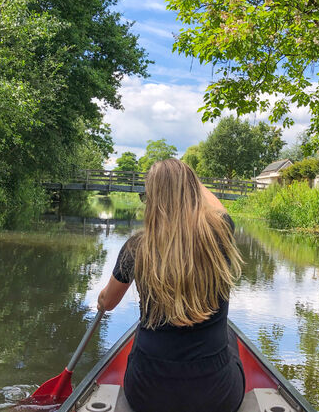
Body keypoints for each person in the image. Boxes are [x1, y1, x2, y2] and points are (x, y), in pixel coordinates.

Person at [97, 158, 245, 412]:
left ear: (153, 201)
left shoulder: (136, 248)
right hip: (216, 398)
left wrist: (101, 299)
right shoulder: (220, 235)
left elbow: (107, 303)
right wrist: (187, 177)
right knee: (230, 335)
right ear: (193, 192)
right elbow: (219, 209)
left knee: (140, 339)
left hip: (147, 394)